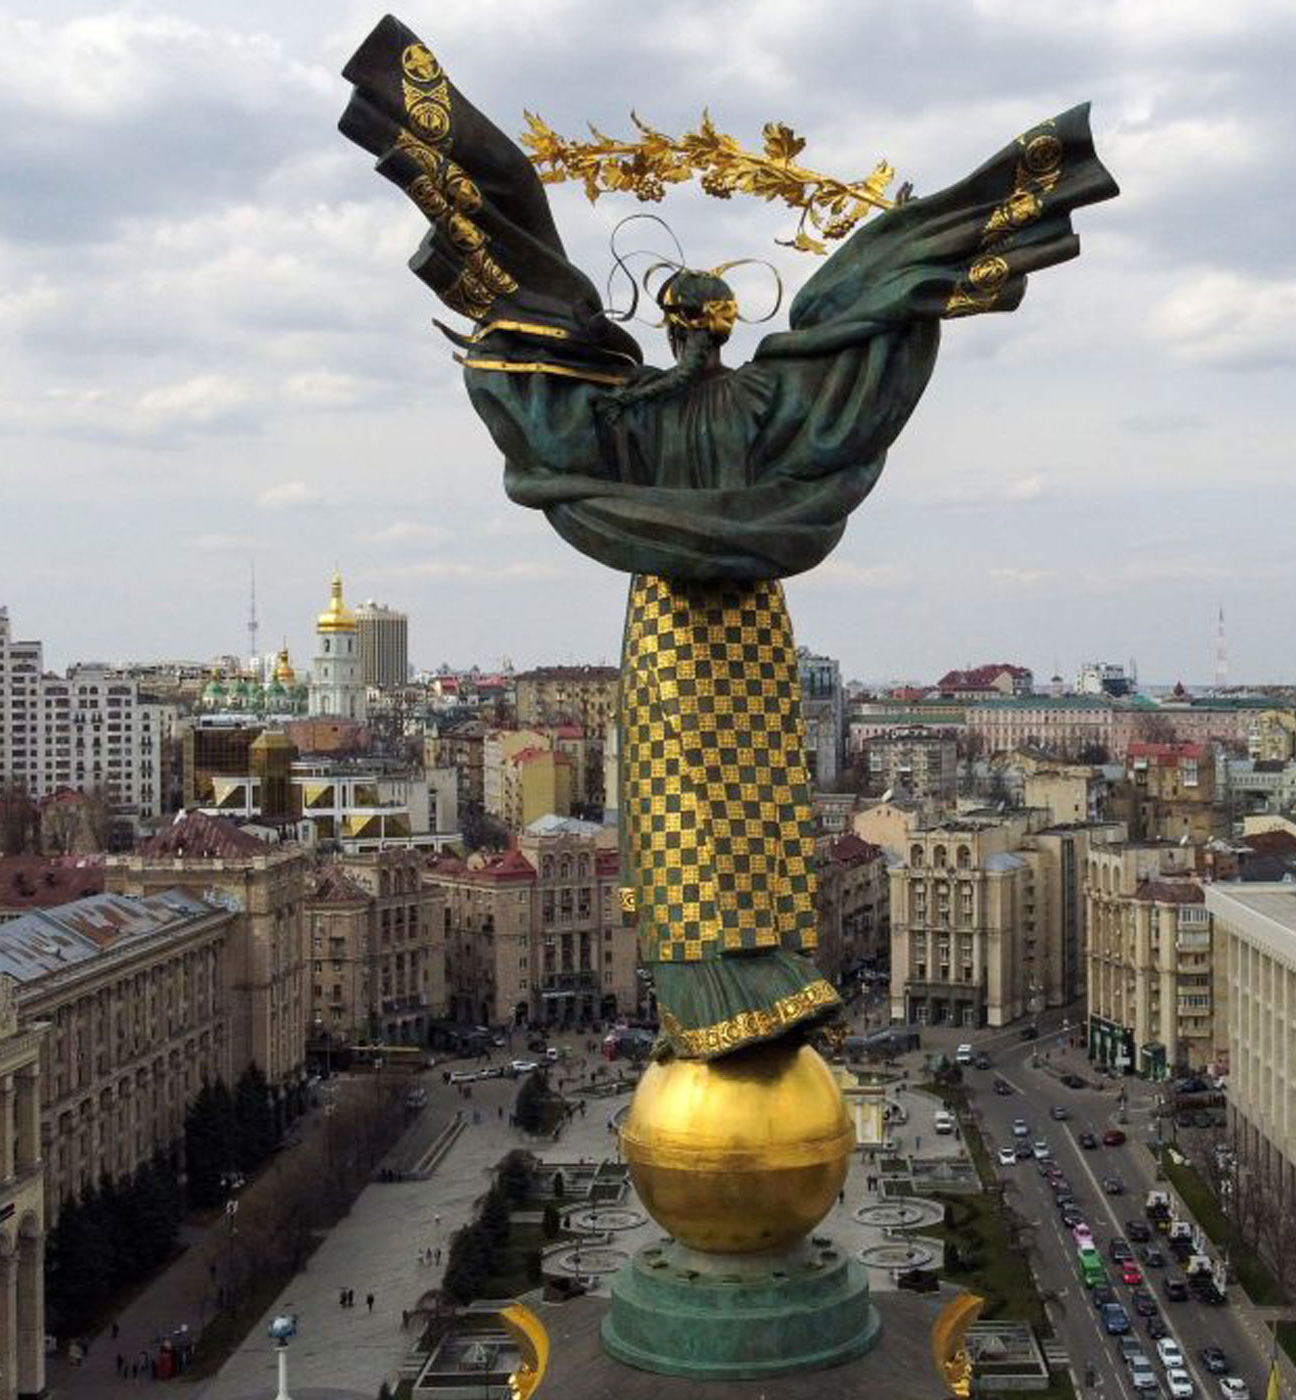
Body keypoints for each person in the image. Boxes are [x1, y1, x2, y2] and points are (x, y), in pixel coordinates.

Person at [339, 17, 1115, 1071]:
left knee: (674, 801)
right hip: (751, 621)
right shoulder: (775, 399)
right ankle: (759, 977)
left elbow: (529, 384)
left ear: (668, 321)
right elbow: (861, 361)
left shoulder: (626, 420)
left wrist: (525, 303)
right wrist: (896, 278)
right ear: (726, 317)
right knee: (755, 790)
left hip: (669, 625)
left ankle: (717, 989)